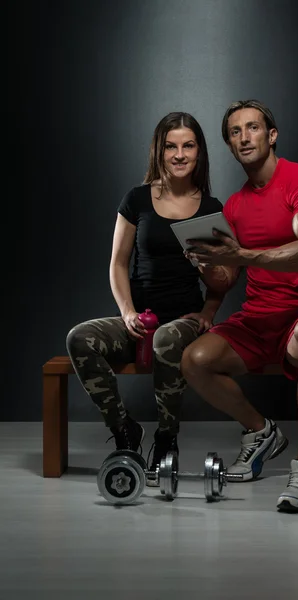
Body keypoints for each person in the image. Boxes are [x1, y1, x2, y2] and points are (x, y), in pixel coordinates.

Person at [180, 99, 298, 513]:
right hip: (256, 320)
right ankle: (261, 431)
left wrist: (243, 255)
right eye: (235, 132)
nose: (244, 137)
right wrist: (206, 264)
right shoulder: (233, 205)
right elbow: (228, 280)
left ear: (271, 136)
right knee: (195, 359)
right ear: (229, 146)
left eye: (252, 128)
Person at [66, 111, 227, 482]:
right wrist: (126, 312)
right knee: (80, 338)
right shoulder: (136, 199)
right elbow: (118, 264)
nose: (179, 154)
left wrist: (208, 311)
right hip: (140, 319)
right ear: (159, 150)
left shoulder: (211, 208)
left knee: (169, 337)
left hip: (183, 322)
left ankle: (167, 437)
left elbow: (224, 276)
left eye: (188, 145)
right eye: (171, 146)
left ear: (199, 151)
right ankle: (125, 430)